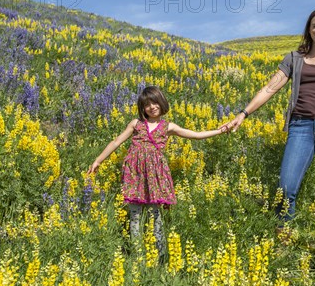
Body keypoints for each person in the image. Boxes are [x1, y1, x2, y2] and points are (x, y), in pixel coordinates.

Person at [225, 8, 315, 269]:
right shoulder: (294, 58)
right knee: (286, 189)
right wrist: (243, 113)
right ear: (308, 29)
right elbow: (271, 87)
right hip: (300, 127)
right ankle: (283, 252)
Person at [88, 86, 226, 255]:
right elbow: (117, 142)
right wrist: (98, 160)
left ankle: (160, 255)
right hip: (135, 174)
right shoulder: (136, 124)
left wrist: (220, 130)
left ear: (161, 103)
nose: (152, 107)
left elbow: (196, 135)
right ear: (142, 107)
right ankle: (137, 254)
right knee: (135, 215)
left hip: (156, 175)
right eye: (147, 104)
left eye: (155, 103)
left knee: (155, 215)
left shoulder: (168, 127)